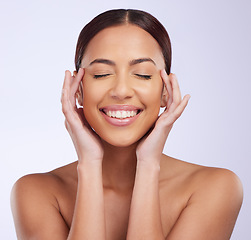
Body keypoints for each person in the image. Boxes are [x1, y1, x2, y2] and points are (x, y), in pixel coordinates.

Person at [11, 9, 243, 240]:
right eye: (102, 74)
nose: (121, 91)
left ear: (166, 91)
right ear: (78, 90)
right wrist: (89, 165)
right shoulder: (36, 192)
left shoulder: (215, 188)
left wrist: (149, 164)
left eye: (142, 74)